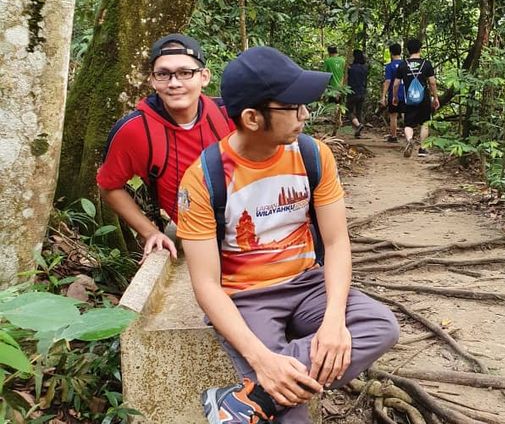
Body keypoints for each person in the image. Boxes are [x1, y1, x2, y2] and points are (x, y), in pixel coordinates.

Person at [177, 47, 399, 424]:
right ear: (251, 118)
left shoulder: (313, 156)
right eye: (294, 107)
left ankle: (247, 400)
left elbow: (336, 241)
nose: (305, 115)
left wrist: (332, 321)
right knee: (291, 411)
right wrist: (263, 360)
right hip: (247, 297)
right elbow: (206, 285)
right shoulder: (205, 178)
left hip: (307, 282)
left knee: (380, 326)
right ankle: (269, 391)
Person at [96, 34, 233, 260]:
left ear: (204, 77)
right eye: (163, 74)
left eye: (185, 73)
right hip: (198, 237)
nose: (174, 83)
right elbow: (108, 185)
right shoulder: (135, 130)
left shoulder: (229, 115)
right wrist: (149, 231)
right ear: (152, 80)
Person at [392, 38, 439, 158]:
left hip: (409, 99)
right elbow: (432, 83)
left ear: (408, 50)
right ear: (420, 49)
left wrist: (395, 97)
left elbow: (396, 84)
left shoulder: (403, 65)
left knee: (408, 124)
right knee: (424, 123)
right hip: (424, 98)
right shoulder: (426, 64)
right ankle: (423, 149)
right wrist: (436, 98)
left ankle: (409, 140)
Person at [380, 42, 405, 143]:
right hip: (405, 94)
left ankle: (393, 136)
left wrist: (383, 96)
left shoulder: (390, 66)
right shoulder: (406, 64)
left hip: (393, 95)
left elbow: (387, 81)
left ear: (391, 53)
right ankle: (408, 136)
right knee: (405, 115)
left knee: (393, 115)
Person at [346, 49, 368, 138]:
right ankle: (358, 132)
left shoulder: (350, 68)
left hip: (352, 91)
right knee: (359, 112)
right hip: (362, 91)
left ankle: (358, 125)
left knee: (349, 111)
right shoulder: (365, 68)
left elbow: (347, 78)